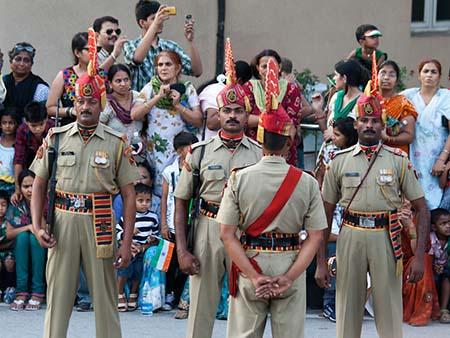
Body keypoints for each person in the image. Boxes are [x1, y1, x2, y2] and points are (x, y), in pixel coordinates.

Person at [29, 29, 139, 338]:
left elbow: (129, 195)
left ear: (101, 102)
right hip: (62, 220)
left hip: (101, 220)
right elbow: (39, 183)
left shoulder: (117, 142)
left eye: (91, 101)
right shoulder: (56, 138)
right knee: (59, 298)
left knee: (105, 299)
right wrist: (38, 225)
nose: (85, 106)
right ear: (74, 102)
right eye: (80, 100)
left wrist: (127, 241)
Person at [216, 58, 326, 338]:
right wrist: (289, 277)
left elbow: (227, 234)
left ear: (259, 136)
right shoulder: (307, 182)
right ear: (290, 141)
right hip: (291, 261)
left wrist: (254, 276)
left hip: (250, 260)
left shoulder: (239, 178)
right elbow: (315, 236)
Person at [317, 90, 430, 338]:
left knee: (388, 309)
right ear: (356, 123)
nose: (369, 125)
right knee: (347, 308)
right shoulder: (338, 161)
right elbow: (324, 213)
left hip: (385, 237)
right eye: (364, 121)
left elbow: (422, 207)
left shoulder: (398, 160)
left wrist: (420, 256)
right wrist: (321, 260)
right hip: (350, 236)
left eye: (375, 120)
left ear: (382, 124)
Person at [173, 39, 262, 338]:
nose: (233, 115)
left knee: (245, 303)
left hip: (246, 230)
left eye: (239, 110)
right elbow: (182, 201)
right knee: (201, 304)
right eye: (227, 110)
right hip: (208, 229)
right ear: (218, 114)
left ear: (246, 113)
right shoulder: (199, 153)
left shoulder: (261, 154)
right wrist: (182, 250)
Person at [131, 50, 202, 197]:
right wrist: (157, 97)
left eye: (168, 64)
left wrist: (178, 105)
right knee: (157, 194)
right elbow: (135, 114)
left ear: (177, 68)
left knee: (179, 190)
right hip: (154, 151)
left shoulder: (187, 89)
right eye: (160, 65)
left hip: (179, 150)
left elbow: (198, 119)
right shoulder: (151, 87)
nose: (163, 68)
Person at [402, 59, 450, 210]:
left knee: (437, 207)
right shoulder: (407, 96)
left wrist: (442, 159)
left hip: (437, 158)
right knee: (413, 203)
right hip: (413, 158)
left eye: (433, 72)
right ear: (419, 75)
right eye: (426, 71)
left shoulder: (446, 97)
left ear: (439, 76)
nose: (429, 75)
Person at [124, 0, 202, 91]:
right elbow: (137, 59)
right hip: (142, 103)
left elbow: (197, 72)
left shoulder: (170, 46)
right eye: (154, 18)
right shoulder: (130, 45)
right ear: (142, 23)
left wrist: (191, 41)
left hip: (168, 103)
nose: (160, 21)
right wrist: (155, 24)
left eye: (160, 17)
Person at [243, 49, 301, 165]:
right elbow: (244, 119)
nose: (268, 70)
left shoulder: (291, 89)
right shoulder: (249, 87)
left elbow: (292, 124)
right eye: (264, 66)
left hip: (283, 149)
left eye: (272, 66)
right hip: (254, 147)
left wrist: (261, 119)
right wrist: (273, 119)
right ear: (258, 69)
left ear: (279, 67)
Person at [6, 169, 46, 311]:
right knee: (23, 237)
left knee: (35, 238)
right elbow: (9, 233)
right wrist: (29, 227)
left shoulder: (46, 200)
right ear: (20, 188)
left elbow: (44, 229)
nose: (30, 190)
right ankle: (21, 291)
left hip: (43, 244)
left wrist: (38, 202)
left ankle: (38, 292)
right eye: (26, 187)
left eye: (33, 186)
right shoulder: (17, 203)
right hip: (19, 246)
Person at [116, 183, 158, 312]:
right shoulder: (127, 217)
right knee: (124, 271)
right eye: (140, 201)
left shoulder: (153, 217)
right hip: (128, 250)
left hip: (142, 250)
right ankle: (119, 293)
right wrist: (126, 235)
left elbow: (155, 235)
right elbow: (117, 234)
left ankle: (134, 295)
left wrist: (151, 240)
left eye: (148, 201)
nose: (144, 204)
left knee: (138, 273)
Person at [401, 199, 440, 326]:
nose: (405, 202)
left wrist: (410, 226)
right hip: (393, 264)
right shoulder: (389, 214)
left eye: (408, 198)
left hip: (411, 261)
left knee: (423, 259)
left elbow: (416, 251)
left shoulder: (420, 216)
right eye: (401, 197)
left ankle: (422, 311)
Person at [12, 101, 54, 205]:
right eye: (34, 125)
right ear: (26, 122)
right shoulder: (22, 130)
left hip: (50, 167)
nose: (38, 128)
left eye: (41, 124)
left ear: (46, 119)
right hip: (30, 166)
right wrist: (17, 188)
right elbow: (18, 160)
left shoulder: (54, 128)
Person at [46, 32, 89, 126]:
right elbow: (49, 108)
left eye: (96, 50)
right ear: (77, 52)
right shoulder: (65, 75)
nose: (94, 53)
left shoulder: (101, 74)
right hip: (70, 128)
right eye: (88, 49)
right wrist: (70, 111)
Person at [378, 60, 417, 154]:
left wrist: (388, 138)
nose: (386, 77)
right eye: (383, 73)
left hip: (395, 155)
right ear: (376, 76)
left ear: (397, 80)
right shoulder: (369, 100)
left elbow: (409, 136)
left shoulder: (403, 103)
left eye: (391, 75)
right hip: (370, 153)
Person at [2, 42, 49, 120]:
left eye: (26, 60)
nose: (21, 64)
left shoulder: (40, 88)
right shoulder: (2, 83)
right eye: (18, 59)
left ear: (31, 64)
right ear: (11, 61)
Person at [100, 64, 143, 145]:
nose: (123, 84)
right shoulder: (107, 103)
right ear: (110, 84)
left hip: (140, 151)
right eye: (118, 81)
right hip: (115, 152)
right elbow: (100, 129)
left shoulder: (138, 97)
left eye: (126, 80)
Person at [429, 208, 450, 323]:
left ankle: (444, 309)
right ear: (434, 227)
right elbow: (428, 258)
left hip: (446, 271)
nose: (448, 226)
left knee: (447, 276)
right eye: (443, 224)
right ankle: (430, 307)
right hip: (433, 270)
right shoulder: (431, 239)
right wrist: (434, 267)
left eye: (449, 223)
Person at [0, 107, 19, 195]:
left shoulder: (19, 146)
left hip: (12, 188)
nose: (7, 126)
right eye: (4, 123)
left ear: (16, 124)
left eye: (11, 123)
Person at [0, 190, 15, 302]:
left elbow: (12, 239)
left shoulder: (8, 222)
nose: (0, 208)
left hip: (7, 252)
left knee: (9, 262)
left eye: (3, 205)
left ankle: (9, 289)